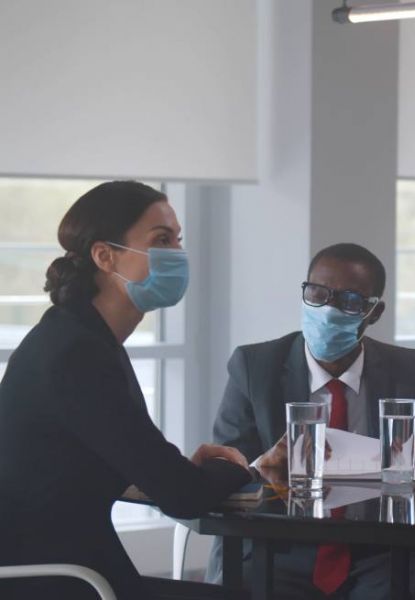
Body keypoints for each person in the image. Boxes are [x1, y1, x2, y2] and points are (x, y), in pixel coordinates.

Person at [0, 181, 253, 600]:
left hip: (70, 569)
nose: (177, 253)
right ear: (105, 255)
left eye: (177, 240)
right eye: (161, 240)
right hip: (59, 581)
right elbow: (184, 497)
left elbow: (100, 460)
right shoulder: (78, 353)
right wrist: (243, 466)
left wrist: (177, 471)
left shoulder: (79, 335)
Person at [208, 242, 415, 600]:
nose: (328, 310)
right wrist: (262, 466)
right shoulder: (255, 366)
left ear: (374, 312)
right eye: (317, 294)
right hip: (278, 549)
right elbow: (227, 469)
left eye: (349, 301)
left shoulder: (408, 369)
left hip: (376, 552)